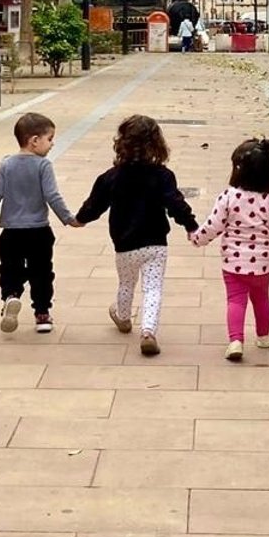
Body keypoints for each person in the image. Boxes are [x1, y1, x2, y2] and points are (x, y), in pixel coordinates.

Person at [74, 114, 198, 356]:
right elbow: (175, 204)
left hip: (125, 244)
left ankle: (123, 317)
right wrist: (190, 225)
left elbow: (94, 204)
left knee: (126, 283)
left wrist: (79, 219)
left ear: (122, 144)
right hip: (155, 244)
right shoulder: (163, 176)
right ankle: (148, 331)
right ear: (157, 145)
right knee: (153, 288)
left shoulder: (111, 177)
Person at [192, 137, 269, 362]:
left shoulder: (228, 197)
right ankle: (263, 336)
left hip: (233, 263)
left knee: (235, 300)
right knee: (262, 298)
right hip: (263, 264)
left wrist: (197, 238)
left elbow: (214, 225)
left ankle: (236, 340)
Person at [0, 111, 75, 335]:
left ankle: (11, 297)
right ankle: (42, 313)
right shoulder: (43, 165)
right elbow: (52, 196)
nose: (52, 143)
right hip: (39, 231)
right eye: (50, 138)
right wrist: (68, 218)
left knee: (10, 269)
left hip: (11, 232)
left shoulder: (6, 164)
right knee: (42, 272)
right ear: (34, 140)